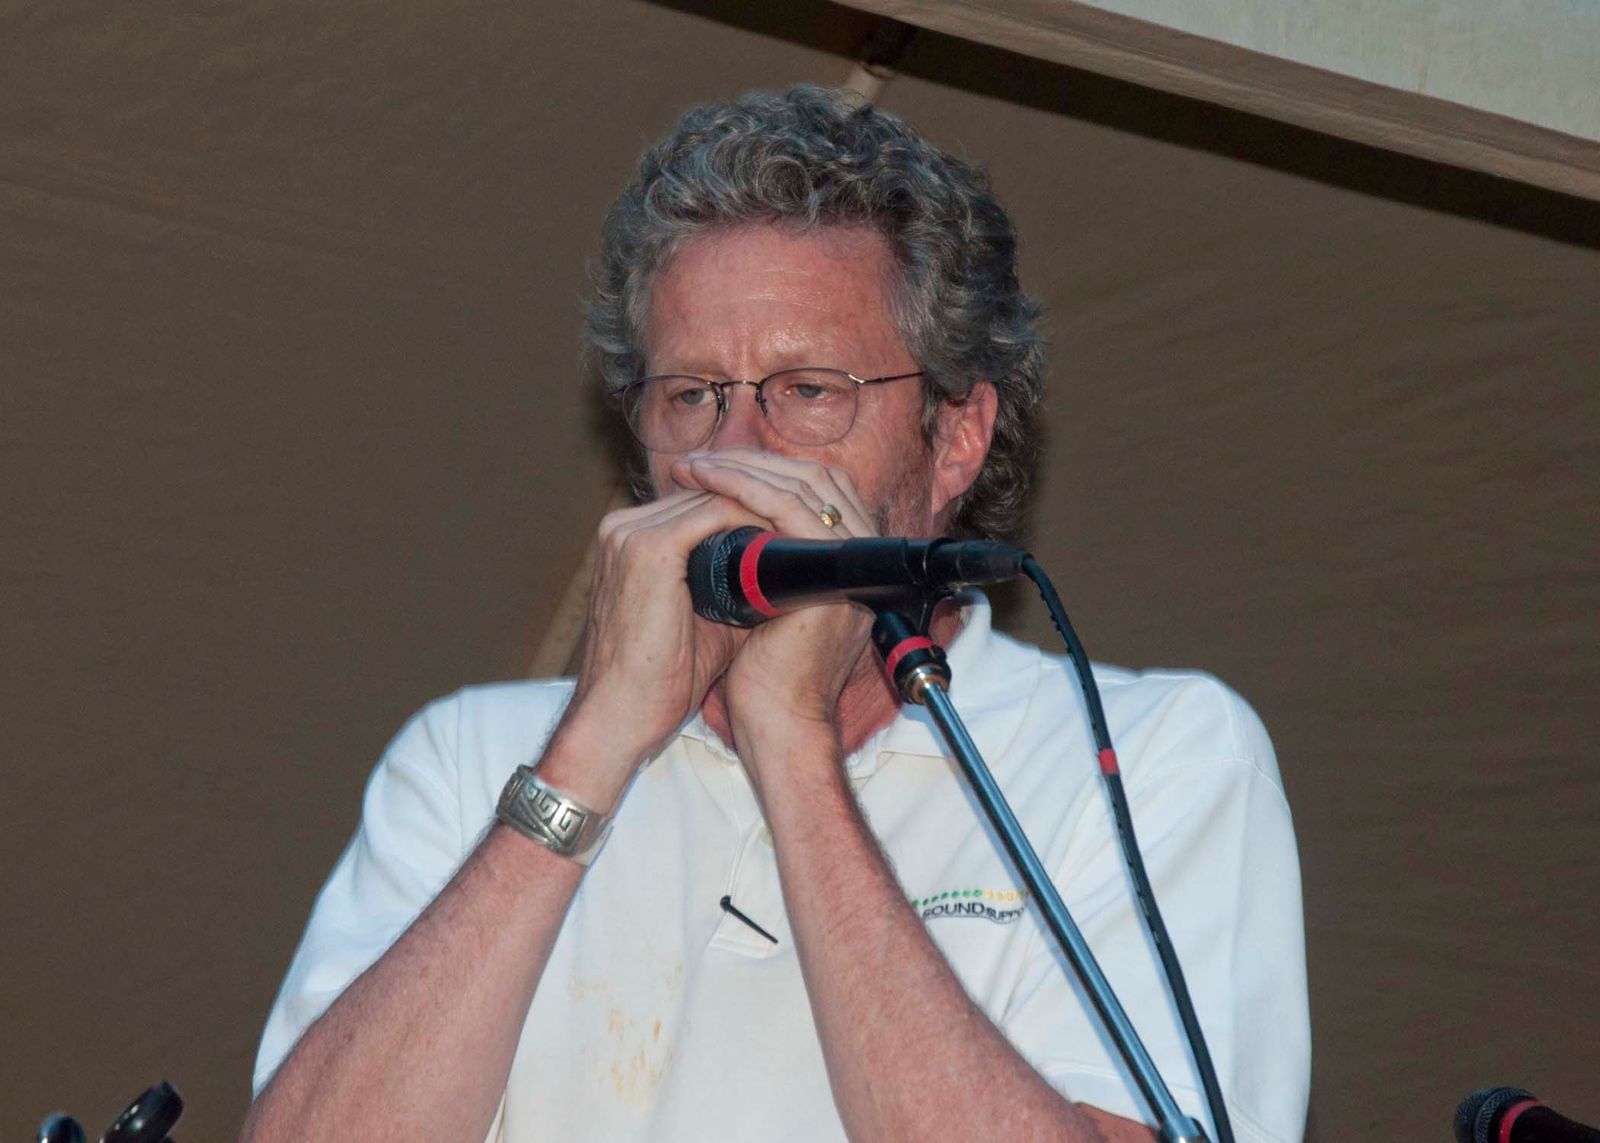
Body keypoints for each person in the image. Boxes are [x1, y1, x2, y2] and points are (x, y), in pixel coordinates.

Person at [242, 86, 1309, 1142]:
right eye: (690, 394)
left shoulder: (1155, 754)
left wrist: (792, 743)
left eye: (807, 389)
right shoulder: (471, 759)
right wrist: (594, 747)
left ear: (955, 437)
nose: (735, 452)